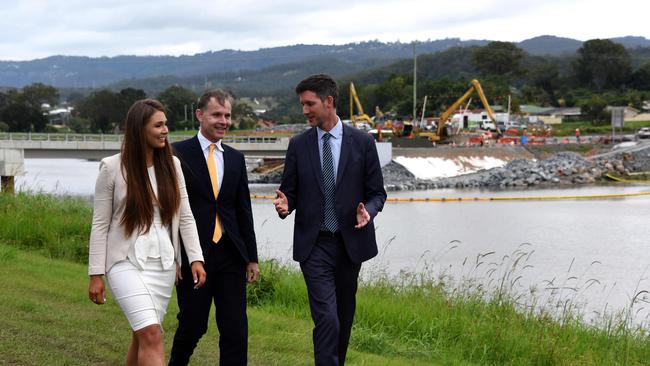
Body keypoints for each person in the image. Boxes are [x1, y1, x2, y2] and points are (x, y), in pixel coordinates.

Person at [274, 74, 387, 365]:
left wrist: (369, 211)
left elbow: (377, 193)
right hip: (315, 245)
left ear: (328, 102)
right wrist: (286, 204)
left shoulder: (363, 143)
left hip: (351, 244)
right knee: (327, 319)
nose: (305, 110)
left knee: (343, 319)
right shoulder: (298, 145)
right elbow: (290, 191)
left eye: (309, 104)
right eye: (302, 104)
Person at [88, 99, 207, 366]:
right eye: (158, 125)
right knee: (152, 335)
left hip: (164, 265)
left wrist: (195, 258)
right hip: (123, 262)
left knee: (141, 335)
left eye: (166, 124)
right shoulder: (111, 167)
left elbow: (185, 216)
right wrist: (96, 274)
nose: (165, 130)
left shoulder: (173, 166)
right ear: (139, 129)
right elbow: (100, 225)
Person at [169, 89, 260, 366]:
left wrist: (252, 257)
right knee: (193, 325)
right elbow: (169, 210)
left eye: (227, 116)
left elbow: (243, 210)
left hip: (231, 254)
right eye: (217, 115)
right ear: (200, 115)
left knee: (235, 329)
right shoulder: (176, 154)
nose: (224, 121)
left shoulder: (235, 158)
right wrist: (174, 256)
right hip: (194, 255)